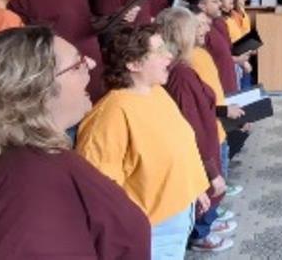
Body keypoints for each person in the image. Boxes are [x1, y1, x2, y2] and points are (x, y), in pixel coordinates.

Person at [0, 27, 151, 258]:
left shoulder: (6, 162)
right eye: (77, 64)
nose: (91, 63)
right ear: (38, 91)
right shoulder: (29, 191)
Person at [76, 25, 210, 258]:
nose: (169, 56)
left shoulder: (157, 92)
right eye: (159, 51)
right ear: (133, 64)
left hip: (179, 214)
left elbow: (182, 145)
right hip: (150, 231)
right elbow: (102, 194)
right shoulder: (110, 114)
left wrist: (195, 188)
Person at [157, 8, 235, 253]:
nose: (203, 32)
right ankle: (200, 235)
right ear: (183, 35)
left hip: (206, 144)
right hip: (202, 152)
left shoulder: (181, 67)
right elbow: (192, 126)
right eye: (195, 28)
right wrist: (211, 171)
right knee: (206, 198)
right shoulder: (181, 75)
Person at [190, 8, 246, 199]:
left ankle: (217, 204)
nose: (207, 29)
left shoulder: (202, 52)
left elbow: (215, 88)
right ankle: (212, 214)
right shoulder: (186, 64)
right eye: (200, 25)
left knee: (223, 162)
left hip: (219, 122)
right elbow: (197, 106)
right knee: (213, 181)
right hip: (211, 125)